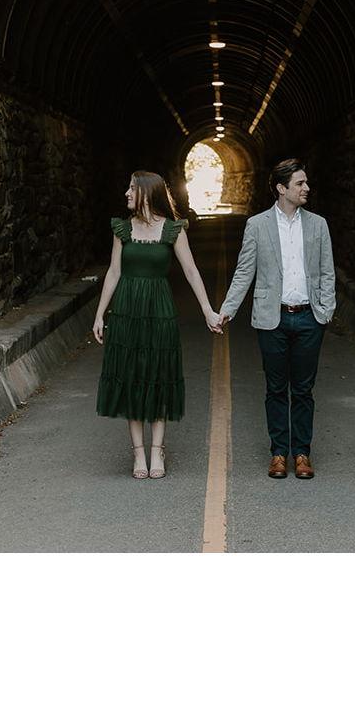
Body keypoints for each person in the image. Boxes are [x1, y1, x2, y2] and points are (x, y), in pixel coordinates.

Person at [93, 170, 221, 479]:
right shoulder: (122, 228)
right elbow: (114, 272)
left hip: (159, 309)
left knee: (158, 374)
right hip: (126, 310)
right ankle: (138, 453)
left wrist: (207, 310)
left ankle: (157, 450)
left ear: (147, 193)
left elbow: (190, 271)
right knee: (131, 376)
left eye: (131, 188)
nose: (126, 192)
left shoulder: (173, 230)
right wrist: (99, 314)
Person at [215, 159, 335, 479]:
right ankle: (279, 453)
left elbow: (326, 272)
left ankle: (303, 454)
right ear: (282, 189)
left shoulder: (318, 225)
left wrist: (326, 310)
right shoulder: (257, 225)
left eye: (306, 182)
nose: (306, 188)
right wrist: (227, 310)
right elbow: (244, 271)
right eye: (299, 183)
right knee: (276, 389)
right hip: (273, 319)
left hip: (309, 318)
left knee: (304, 390)